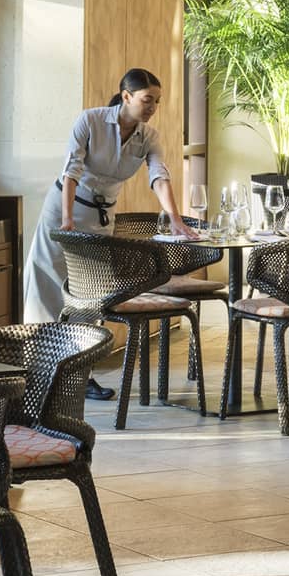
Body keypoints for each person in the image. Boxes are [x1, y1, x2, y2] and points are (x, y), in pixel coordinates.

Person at [23, 68, 196, 399]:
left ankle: (81, 376)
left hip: (102, 217)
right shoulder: (90, 121)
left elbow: (159, 175)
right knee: (46, 288)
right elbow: (71, 171)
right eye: (147, 100)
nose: (152, 107)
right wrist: (69, 218)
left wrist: (175, 218)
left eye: (157, 102)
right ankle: (40, 376)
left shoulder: (149, 136)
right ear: (127, 96)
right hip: (63, 211)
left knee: (92, 295)